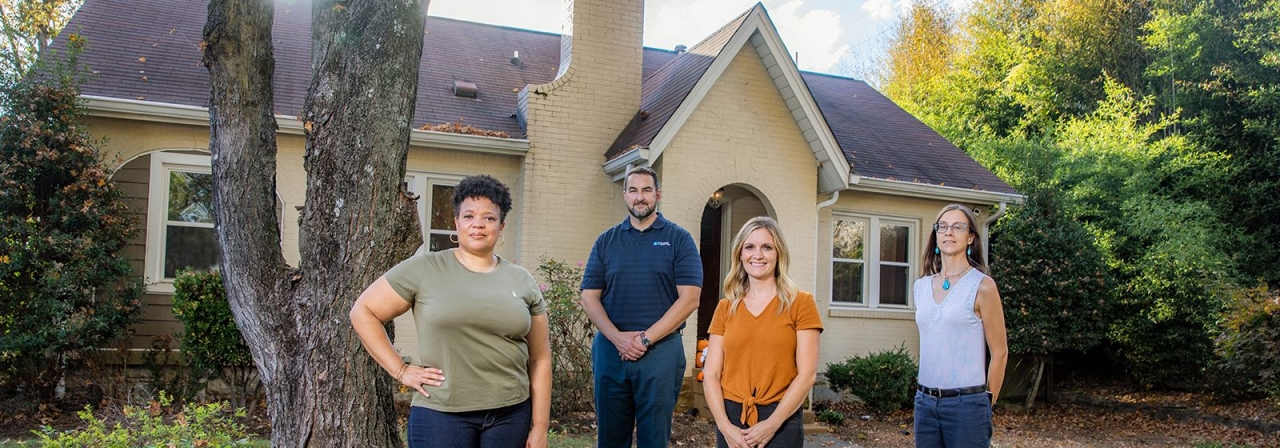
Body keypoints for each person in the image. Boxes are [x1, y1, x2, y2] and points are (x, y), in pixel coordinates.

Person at [349, 175, 551, 448]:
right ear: (456, 222)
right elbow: (364, 311)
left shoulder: (522, 280)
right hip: (440, 414)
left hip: (510, 414)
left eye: (489, 218)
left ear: (501, 226)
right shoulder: (424, 269)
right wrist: (401, 370)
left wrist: (540, 428)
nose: (478, 224)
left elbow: (539, 359)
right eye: (469, 215)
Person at [580, 166, 703, 448]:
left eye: (647, 190)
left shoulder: (679, 239)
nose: (640, 197)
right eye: (633, 190)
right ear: (625, 195)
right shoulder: (606, 241)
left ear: (658, 194)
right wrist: (618, 338)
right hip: (611, 351)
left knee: (654, 438)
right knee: (610, 438)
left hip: (660, 352)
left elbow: (690, 298)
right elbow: (589, 296)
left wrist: (645, 338)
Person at [702, 216, 823, 448]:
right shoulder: (725, 307)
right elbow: (711, 374)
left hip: (781, 421)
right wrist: (725, 427)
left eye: (767, 247)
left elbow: (807, 375)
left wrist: (772, 424)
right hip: (731, 421)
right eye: (750, 247)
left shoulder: (801, 303)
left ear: (779, 255)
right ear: (740, 254)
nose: (757, 255)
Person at [913, 204, 1008, 448]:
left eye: (958, 227)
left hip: (967, 405)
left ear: (970, 238)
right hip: (925, 404)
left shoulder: (983, 286)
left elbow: (1000, 352)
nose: (949, 232)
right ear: (935, 235)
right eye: (942, 227)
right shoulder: (920, 287)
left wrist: (986, 403)